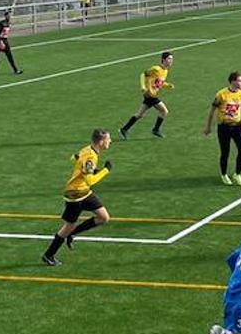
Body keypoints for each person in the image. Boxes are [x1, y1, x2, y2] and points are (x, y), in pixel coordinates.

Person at [42, 128, 112, 266]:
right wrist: (105, 170)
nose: (110, 141)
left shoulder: (87, 150)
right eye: (108, 139)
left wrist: (87, 168)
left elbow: (73, 158)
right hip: (75, 195)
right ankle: (48, 255)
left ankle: (72, 234)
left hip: (84, 192)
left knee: (103, 217)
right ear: (102, 141)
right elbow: (90, 181)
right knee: (68, 226)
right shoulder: (91, 156)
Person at [204, 71, 241, 186]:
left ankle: (237, 174)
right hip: (224, 127)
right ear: (233, 81)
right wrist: (208, 126)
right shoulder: (221, 94)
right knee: (225, 152)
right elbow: (212, 111)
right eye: (240, 80)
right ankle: (224, 174)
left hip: (237, 127)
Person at [119, 52, 173, 139]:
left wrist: (167, 85)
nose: (171, 61)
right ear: (163, 59)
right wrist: (143, 87)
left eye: (172, 59)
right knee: (164, 111)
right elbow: (143, 74)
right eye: (169, 59)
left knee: (140, 114)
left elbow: (159, 82)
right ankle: (155, 130)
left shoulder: (165, 71)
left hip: (152, 94)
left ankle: (124, 129)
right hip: (150, 94)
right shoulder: (156, 69)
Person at [0, 10, 22, 75]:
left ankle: (16, 70)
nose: (9, 16)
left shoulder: (8, 23)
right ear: (5, 16)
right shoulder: (2, 23)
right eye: (8, 15)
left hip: (5, 41)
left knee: (10, 56)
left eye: (10, 15)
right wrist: (0, 42)